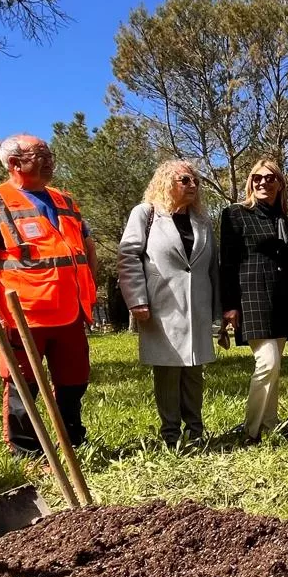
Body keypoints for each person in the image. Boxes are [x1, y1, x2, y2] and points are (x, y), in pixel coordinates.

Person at [0, 134, 97, 456]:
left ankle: (71, 441)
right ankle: (26, 452)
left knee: (74, 380)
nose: (50, 158)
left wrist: (88, 289)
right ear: (14, 163)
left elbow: (86, 249)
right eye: (40, 154)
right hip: (23, 316)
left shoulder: (66, 201)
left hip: (70, 312)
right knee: (23, 384)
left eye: (49, 152)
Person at [117, 160, 219, 448]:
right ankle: (171, 434)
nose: (192, 185)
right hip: (161, 305)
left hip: (196, 307)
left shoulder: (203, 221)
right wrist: (137, 300)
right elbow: (128, 257)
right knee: (168, 370)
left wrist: (217, 312)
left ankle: (195, 432)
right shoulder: (146, 214)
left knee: (194, 370)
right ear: (165, 182)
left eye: (195, 181)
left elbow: (213, 268)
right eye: (184, 180)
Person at [220, 159, 288, 444]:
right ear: (251, 182)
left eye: (270, 178)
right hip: (252, 297)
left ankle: (270, 424)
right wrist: (229, 305)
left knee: (275, 366)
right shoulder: (235, 214)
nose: (263, 182)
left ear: (280, 184)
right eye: (257, 178)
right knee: (266, 363)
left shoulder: (282, 218)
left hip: (281, 300)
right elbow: (227, 263)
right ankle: (250, 431)